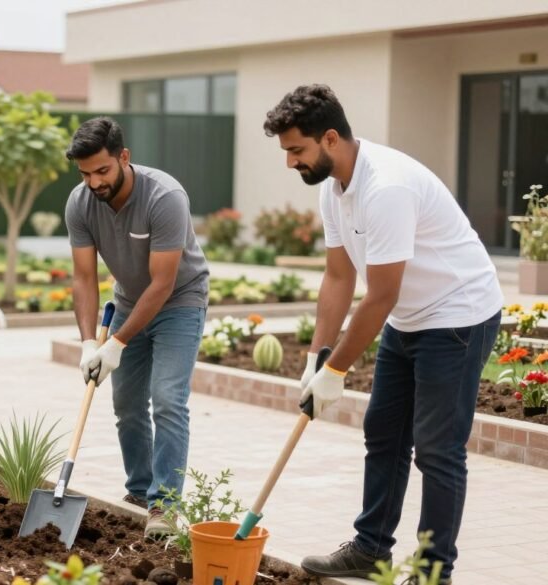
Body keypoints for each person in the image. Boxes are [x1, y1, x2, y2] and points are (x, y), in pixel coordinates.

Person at [264, 85, 502, 584]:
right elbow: (338, 277)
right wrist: (315, 358)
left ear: (330, 138)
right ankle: (371, 549)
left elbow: (381, 295)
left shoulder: (386, 187)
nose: (290, 162)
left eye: (296, 150)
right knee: (384, 432)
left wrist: (336, 371)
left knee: (437, 448)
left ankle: (433, 572)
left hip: (458, 315)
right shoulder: (335, 189)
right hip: (409, 316)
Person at [64, 117, 209, 538]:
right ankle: (141, 490)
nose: (94, 182)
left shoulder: (164, 197)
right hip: (128, 301)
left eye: (102, 171)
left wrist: (119, 343)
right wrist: (90, 341)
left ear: (124, 157)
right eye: (85, 173)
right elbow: (84, 277)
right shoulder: (80, 202)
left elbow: (163, 283)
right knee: (126, 404)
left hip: (180, 301)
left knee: (167, 398)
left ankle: (165, 505)